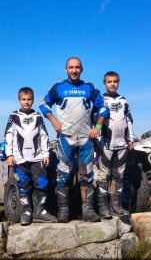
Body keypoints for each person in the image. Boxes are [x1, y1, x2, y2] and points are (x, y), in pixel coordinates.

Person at [39, 57, 109, 223]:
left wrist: (98, 127)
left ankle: (88, 210)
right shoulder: (59, 87)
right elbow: (43, 104)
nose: (74, 70)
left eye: (77, 67)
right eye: (71, 67)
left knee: (87, 175)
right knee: (64, 175)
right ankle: (63, 210)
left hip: (86, 139)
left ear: (82, 69)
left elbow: (103, 107)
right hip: (66, 139)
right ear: (66, 69)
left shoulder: (89, 87)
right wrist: (53, 120)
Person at [4, 87, 57, 226]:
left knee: (42, 183)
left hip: (38, 157)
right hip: (20, 158)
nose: (26, 102)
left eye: (29, 99)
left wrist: (46, 154)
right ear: (19, 100)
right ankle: (26, 212)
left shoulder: (38, 116)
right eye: (23, 99)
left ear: (33, 100)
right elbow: (8, 135)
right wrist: (9, 154)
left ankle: (40, 211)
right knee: (24, 185)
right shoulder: (14, 116)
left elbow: (44, 136)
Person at [95, 71, 134, 218]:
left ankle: (116, 205)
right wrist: (96, 141)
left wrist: (130, 138)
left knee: (119, 175)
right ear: (105, 83)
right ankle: (103, 207)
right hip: (105, 144)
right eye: (109, 81)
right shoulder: (100, 100)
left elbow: (129, 119)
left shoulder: (124, 100)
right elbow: (95, 122)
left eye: (115, 81)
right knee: (104, 176)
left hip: (122, 144)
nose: (113, 84)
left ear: (119, 82)